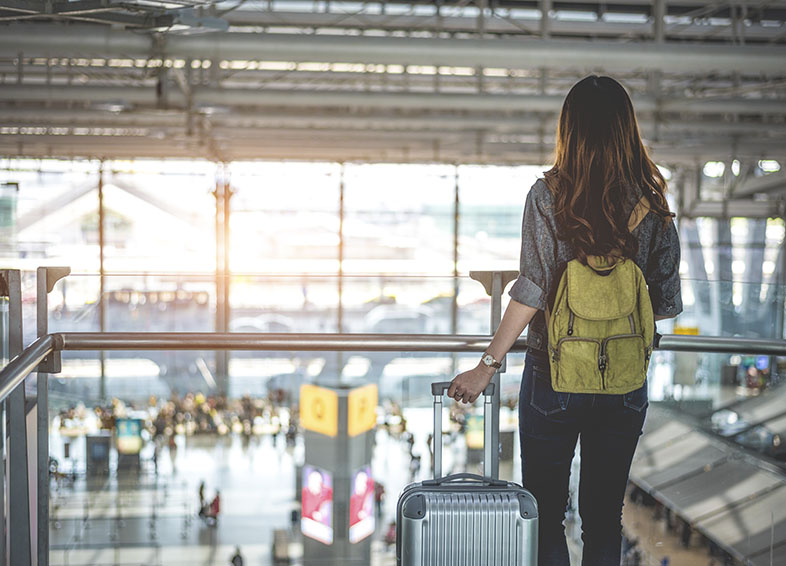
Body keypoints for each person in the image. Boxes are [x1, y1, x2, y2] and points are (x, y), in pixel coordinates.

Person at [449, 75, 682, 566]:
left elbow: (531, 289)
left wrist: (485, 366)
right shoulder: (653, 204)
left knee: (545, 514)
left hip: (553, 375)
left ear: (569, 130)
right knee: (602, 521)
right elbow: (663, 303)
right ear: (627, 129)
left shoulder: (548, 196)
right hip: (622, 380)